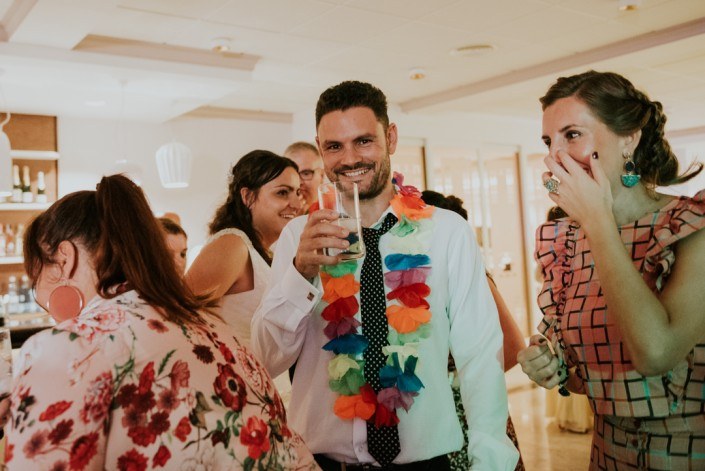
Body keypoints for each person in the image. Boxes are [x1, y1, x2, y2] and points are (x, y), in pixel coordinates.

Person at [252, 80, 519, 470]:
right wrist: (300, 272)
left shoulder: (447, 232)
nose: (349, 158)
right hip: (324, 462)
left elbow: (479, 355)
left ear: (390, 137)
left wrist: (490, 460)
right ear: (320, 148)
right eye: (334, 146)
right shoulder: (298, 237)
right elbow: (265, 358)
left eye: (363, 141)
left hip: (427, 462)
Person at [6, 174, 316, 470]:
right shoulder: (216, 329)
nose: (38, 291)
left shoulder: (62, 348)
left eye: (37, 273)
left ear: (64, 259)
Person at [517, 70, 705, 469]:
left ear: (629, 137)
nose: (556, 156)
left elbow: (656, 353)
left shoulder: (691, 228)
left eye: (572, 135)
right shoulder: (563, 242)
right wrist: (550, 366)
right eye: (549, 142)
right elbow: (581, 373)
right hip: (607, 455)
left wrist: (598, 222)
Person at [420, 190, 525, 471]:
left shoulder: (476, 277)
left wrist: (461, 379)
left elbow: (514, 348)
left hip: (467, 412)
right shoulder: (417, 279)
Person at [186, 150, 301, 404]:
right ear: (248, 197)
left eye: (298, 192)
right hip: (237, 395)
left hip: (270, 393)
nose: (296, 203)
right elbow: (181, 318)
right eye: (282, 192)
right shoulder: (233, 244)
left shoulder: (267, 253)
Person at [284, 141, 325, 214]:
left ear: (321, 176)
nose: (298, 183)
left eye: (306, 174)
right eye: (293, 175)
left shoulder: (335, 207)